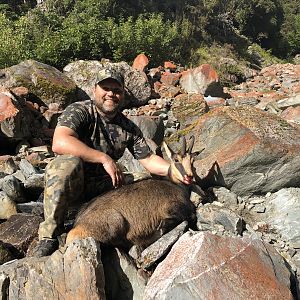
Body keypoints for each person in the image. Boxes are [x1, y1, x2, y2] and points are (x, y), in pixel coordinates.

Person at [31, 67, 172, 257]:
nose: (111, 94)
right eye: (106, 88)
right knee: (64, 165)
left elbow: (147, 159)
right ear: (94, 89)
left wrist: (176, 171)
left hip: (104, 190)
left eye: (117, 90)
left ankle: (133, 230)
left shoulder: (128, 126)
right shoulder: (80, 111)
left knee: (146, 181)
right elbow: (60, 142)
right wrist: (103, 158)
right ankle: (49, 234)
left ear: (123, 94)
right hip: (74, 186)